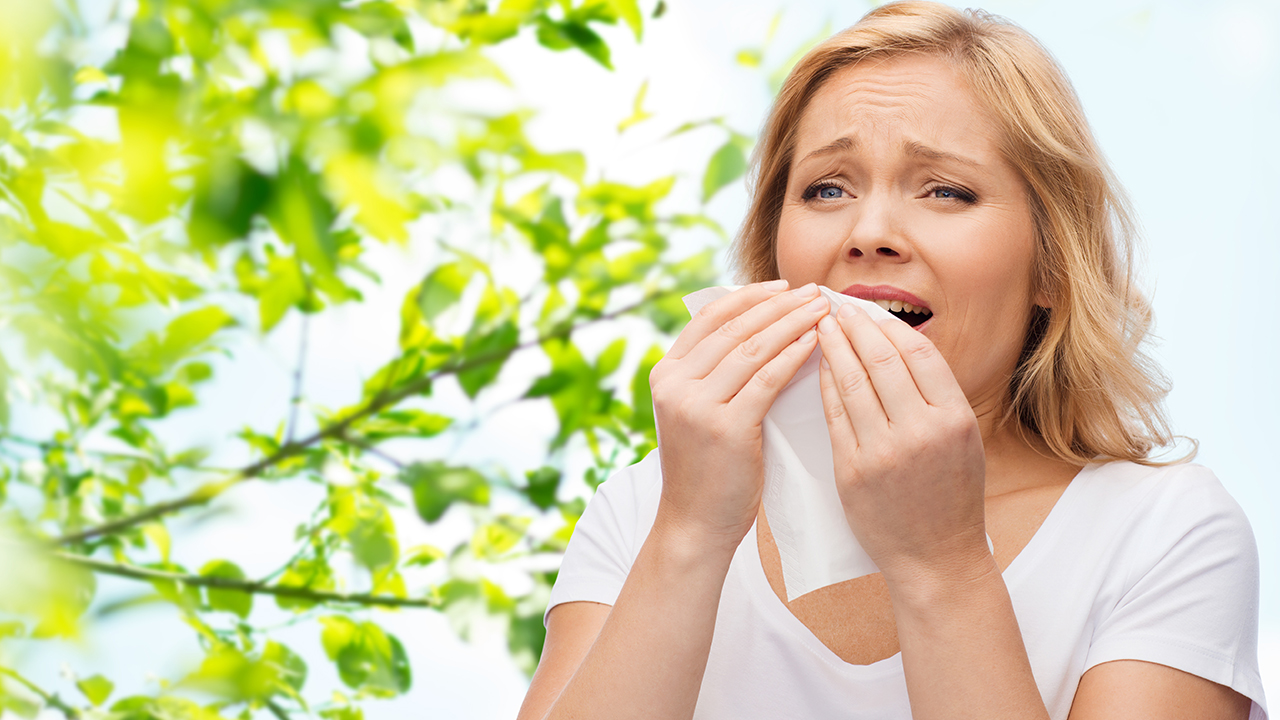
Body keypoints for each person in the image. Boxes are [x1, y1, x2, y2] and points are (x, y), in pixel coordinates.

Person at [516, 2, 1267, 719]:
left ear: (1052, 267)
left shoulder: (1165, 532)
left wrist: (942, 565)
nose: (870, 231)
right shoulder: (647, 509)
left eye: (946, 191)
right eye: (827, 188)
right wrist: (690, 532)